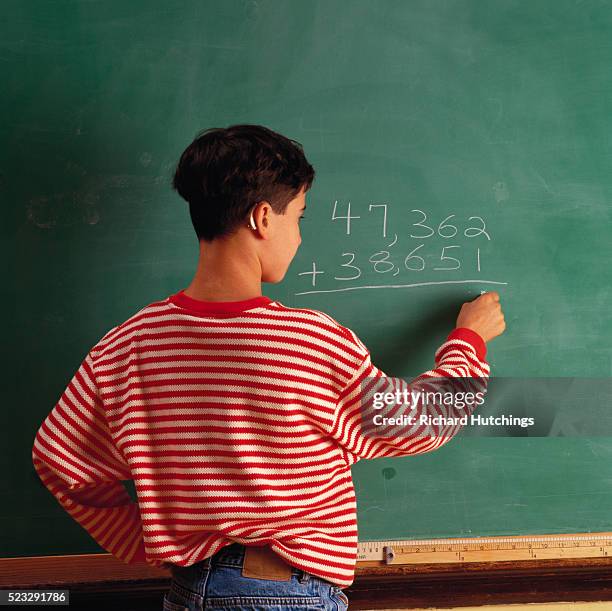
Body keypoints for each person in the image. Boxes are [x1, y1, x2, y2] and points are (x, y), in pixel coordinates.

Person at [32, 124, 505, 610]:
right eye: (298, 217)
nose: (299, 237)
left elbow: (58, 457)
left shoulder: (129, 343)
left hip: (189, 590)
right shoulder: (305, 340)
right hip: (280, 592)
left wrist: (142, 542)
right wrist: (469, 339)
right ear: (262, 217)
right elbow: (423, 420)